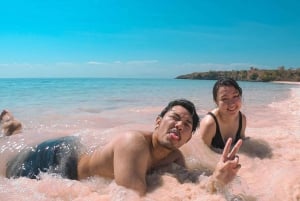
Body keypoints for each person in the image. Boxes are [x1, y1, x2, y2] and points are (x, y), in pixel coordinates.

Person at [5, 99, 242, 196]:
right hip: (57, 159)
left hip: (76, 150)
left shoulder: (174, 156)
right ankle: (11, 129)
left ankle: (14, 127)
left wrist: (218, 179)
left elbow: (189, 181)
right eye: (174, 117)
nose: (180, 125)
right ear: (158, 122)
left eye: (188, 124)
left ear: (189, 138)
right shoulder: (134, 143)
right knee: (7, 171)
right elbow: (131, 195)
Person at [199, 78, 246, 151]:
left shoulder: (242, 119)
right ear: (216, 101)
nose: (232, 104)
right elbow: (202, 155)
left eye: (235, 96)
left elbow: (244, 144)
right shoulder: (209, 124)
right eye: (225, 99)